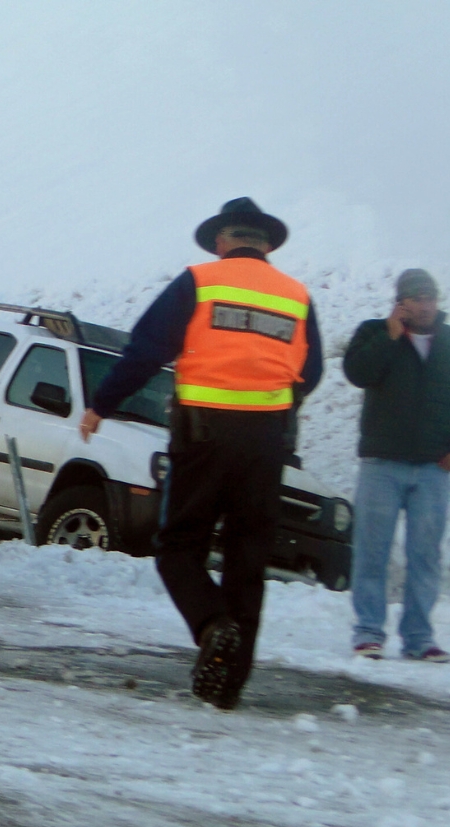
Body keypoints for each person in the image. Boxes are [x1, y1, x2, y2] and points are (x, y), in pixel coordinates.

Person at [80, 197, 322, 708]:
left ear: (221, 241)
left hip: (203, 435)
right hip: (266, 443)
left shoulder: (200, 281)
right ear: (267, 245)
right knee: (247, 558)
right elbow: (312, 370)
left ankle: (212, 625)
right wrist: (275, 403)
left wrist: (102, 403)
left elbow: (147, 349)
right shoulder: (296, 297)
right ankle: (228, 688)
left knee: (178, 546)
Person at [343, 269, 450, 662]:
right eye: (416, 298)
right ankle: (368, 633)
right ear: (401, 301)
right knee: (372, 551)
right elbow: (358, 373)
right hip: (381, 463)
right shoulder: (373, 333)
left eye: (430, 297)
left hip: (433, 468)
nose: (425, 305)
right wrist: (390, 334)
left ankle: (419, 637)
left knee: (426, 554)